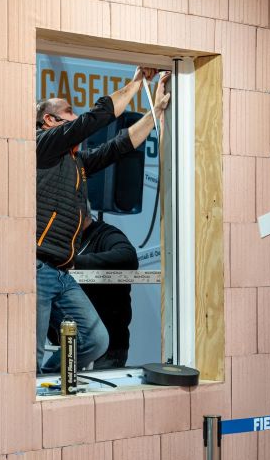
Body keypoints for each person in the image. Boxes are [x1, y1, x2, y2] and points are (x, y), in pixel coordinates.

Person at [35, 67, 170, 373]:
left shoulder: (75, 162)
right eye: (69, 112)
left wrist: (156, 111)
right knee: (32, 353)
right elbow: (95, 118)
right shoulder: (43, 145)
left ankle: (50, 380)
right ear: (50, 120)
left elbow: (120, 146)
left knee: (94, 340)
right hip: (39, 267)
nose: (75, 116)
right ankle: (36, 392)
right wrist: (137, 84)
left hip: (60, 270)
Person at [71, 215, 139, 369]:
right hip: (71, 345)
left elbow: (128, 257)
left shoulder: (106, 234)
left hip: (108, 349)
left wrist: (74, 262)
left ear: (82, 215)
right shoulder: (67, 241)